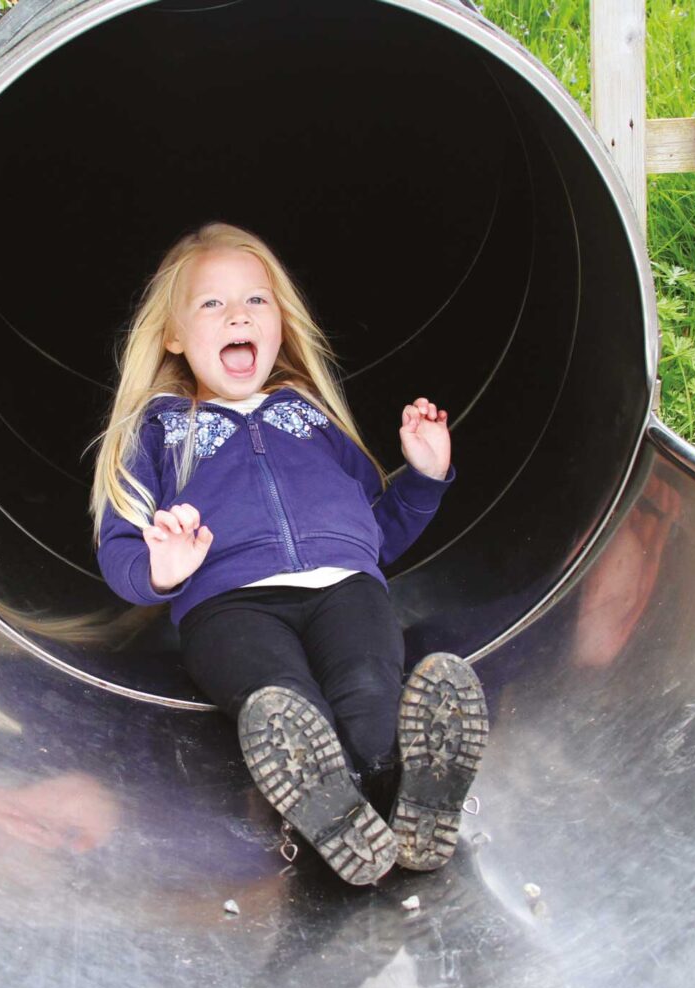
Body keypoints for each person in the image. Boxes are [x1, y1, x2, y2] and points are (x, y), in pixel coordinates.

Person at [91, 222, 488, 885]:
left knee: (369, 694)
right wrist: (160, 572)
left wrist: (421, 477)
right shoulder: (158, 428)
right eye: (212, 304)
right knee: (282, 704)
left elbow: (377, 534)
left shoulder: (311, 416)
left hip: (346, 588)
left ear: (280, 324)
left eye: (256, 300)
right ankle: (333, 810)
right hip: (227, 603)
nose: (237, 314)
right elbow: (120, 546)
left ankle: (411, 803)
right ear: (174, 336)